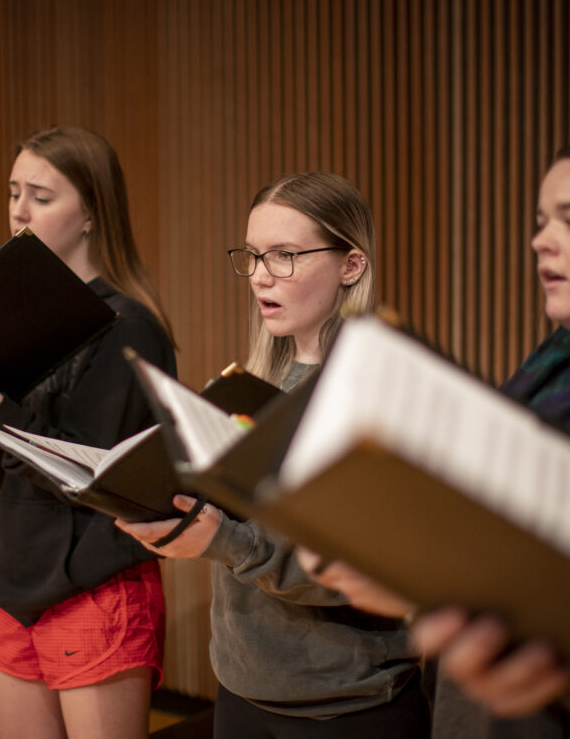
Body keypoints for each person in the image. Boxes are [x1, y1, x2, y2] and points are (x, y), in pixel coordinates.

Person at [116, 172, 431, 738]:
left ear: (350, 266)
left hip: (345, 705)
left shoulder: (379, 394)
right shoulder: (262, 384)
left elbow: (356, 571)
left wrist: (222, 541)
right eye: (255, 256)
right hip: (244, 690)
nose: (261, 276)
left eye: (285, 256)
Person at [0, 125, 176, 739]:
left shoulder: (128, 326)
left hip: (92, 584)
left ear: (91, 213)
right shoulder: (16, 315)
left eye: (41, 196)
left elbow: (91, 476)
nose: (18, 212)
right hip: (14, 580)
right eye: (12, 193)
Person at [296, 149, 570, 738]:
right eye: (541, 221)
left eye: (569, 220)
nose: (542, 241)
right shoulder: (549, 365)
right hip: (478, 700)